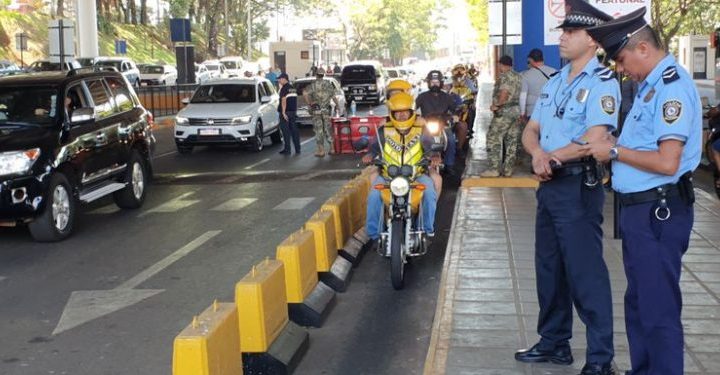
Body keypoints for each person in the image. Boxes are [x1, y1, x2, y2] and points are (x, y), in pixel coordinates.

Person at [583, 8, 702, 375]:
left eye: (622, 58)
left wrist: (615, 151)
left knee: (657, 310)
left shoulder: (671, 87)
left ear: (643, 49)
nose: (621, 68)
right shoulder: (649, 87)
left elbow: (668, 162)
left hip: (659, 211)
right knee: (639, 305)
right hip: (641, 212)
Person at [517, 1, 619, 374]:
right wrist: (537, 154)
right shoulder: (556, 81)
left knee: (585, 273)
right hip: (550, 185)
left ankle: (600, 359)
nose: (562, 37)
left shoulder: (603, 83)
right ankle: (555, 342)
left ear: (592, 40)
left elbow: (594, 139)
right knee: (549, 269)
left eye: (571, 32)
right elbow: (531, 129)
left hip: (577, 187)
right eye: (563, 31)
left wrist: (551, 158)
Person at [361, 92, 440, 241]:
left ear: (412, 112)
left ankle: (426, 230)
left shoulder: (421, 130)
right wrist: (370, 155)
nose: (402, 116)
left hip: (416, 176)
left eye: (405, 112)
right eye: (398, 113)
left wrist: (434, 157)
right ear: (392, 114)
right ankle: (374, 234)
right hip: (387, 176)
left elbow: (431, 148)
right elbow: (373, 148)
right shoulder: (383, 131)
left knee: (429, 194)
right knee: (373, 196)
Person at [481, 55, 522, 177]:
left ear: (501, 64)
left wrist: (497, 105)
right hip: (515, 110)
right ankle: (508, 169)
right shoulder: (518, 76)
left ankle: (494, 168)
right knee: (511, 140)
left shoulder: (505, 76)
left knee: (493, 138)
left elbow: (504, 92)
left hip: (505, 111)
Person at [415, 70, 459, 174]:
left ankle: (449, 164)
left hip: (443, 124)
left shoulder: (447, 97)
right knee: (418, 140)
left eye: (437, 82)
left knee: (451, 140)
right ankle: (420, 161)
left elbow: (454, 109)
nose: (435, 84)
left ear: (441, 83)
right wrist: (416, 117)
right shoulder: (422, 96)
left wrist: (455, 115)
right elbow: (412, 109)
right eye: (432, 82)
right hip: (426, 125)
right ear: (428, 83)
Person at [304, 70, 340, 157]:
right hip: (325, 111)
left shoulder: (312, 85)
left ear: (316, 75)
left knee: (318, 130)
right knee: (327, 129)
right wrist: (338, 106)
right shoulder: (328, 84)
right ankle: (332, 149)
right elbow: (334, 97)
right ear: (323, 75)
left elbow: (305, 94)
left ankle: (321, 151)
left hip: (316, 111)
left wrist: (309, 103)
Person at [520, 49, 557, 123]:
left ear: (530, 60)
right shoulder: (554, 72)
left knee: (534, 133)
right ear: (543, 59)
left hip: (533, 111)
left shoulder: (526, 75)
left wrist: (522, 112)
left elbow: (523, 96)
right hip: (551, 111)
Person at [277, 73, 300, 155]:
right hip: (292, 112)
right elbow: (294, 100)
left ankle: (287, 150)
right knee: (294, 131)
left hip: (286, 113)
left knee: (286, 132)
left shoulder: (284, 89)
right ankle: (297, 149)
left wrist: (283, 112)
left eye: (280, 79)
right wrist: (295, 110)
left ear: (284, 79)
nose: (279, 80)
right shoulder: (292, 88)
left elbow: (283, 100)